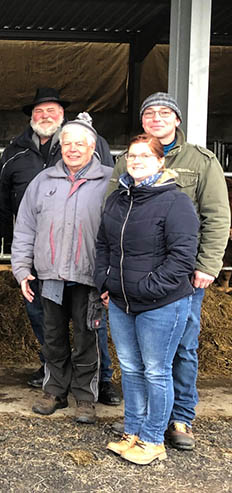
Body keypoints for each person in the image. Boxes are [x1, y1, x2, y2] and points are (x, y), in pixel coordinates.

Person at [107, 92, 230, 450]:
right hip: (134, 276)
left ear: (177, 120)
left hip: (182, 274)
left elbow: (217, 216)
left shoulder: (201, 161)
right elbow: (111, 215)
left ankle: (181, 418)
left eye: (165, 113)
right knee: (139, 356)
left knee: (183, 347)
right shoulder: (125, 162)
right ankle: (144, 421)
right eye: (149, 114)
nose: (156, 118)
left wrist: (207, 265)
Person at [0, 87, 119, 406]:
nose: (73, 149)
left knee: (87, 335)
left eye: (80, 144)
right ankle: (55, 389)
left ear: (93, 147)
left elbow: (119, 229)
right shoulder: (33, 169)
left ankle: (90, 391)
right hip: (48, 270)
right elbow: (22, 223)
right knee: (51, 334)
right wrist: (20, 267)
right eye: (68, 144)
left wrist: (111, 274)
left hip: (87, 271)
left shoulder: (108, 179)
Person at [96, 134, 199, 465]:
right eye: (131, 155)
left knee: (156, 370)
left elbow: (183, 256)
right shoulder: (117, 199)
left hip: (162, 302)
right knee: (129, 368)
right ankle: (133, 431)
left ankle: (154, 439)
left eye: (144, 155)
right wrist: (105, 280)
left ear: (159, 161)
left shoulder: (175, 202)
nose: (136, 160)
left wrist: (150, 287)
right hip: (123, 302)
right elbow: (103, 245)